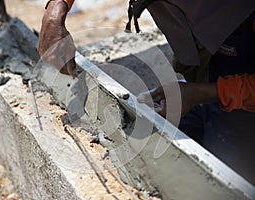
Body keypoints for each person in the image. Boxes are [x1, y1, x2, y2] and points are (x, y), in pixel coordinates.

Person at [38, 0, 255, 185]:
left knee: (226, 176)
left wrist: (208, 92)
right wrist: (58, 7)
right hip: (213, 41)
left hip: (243, 45)